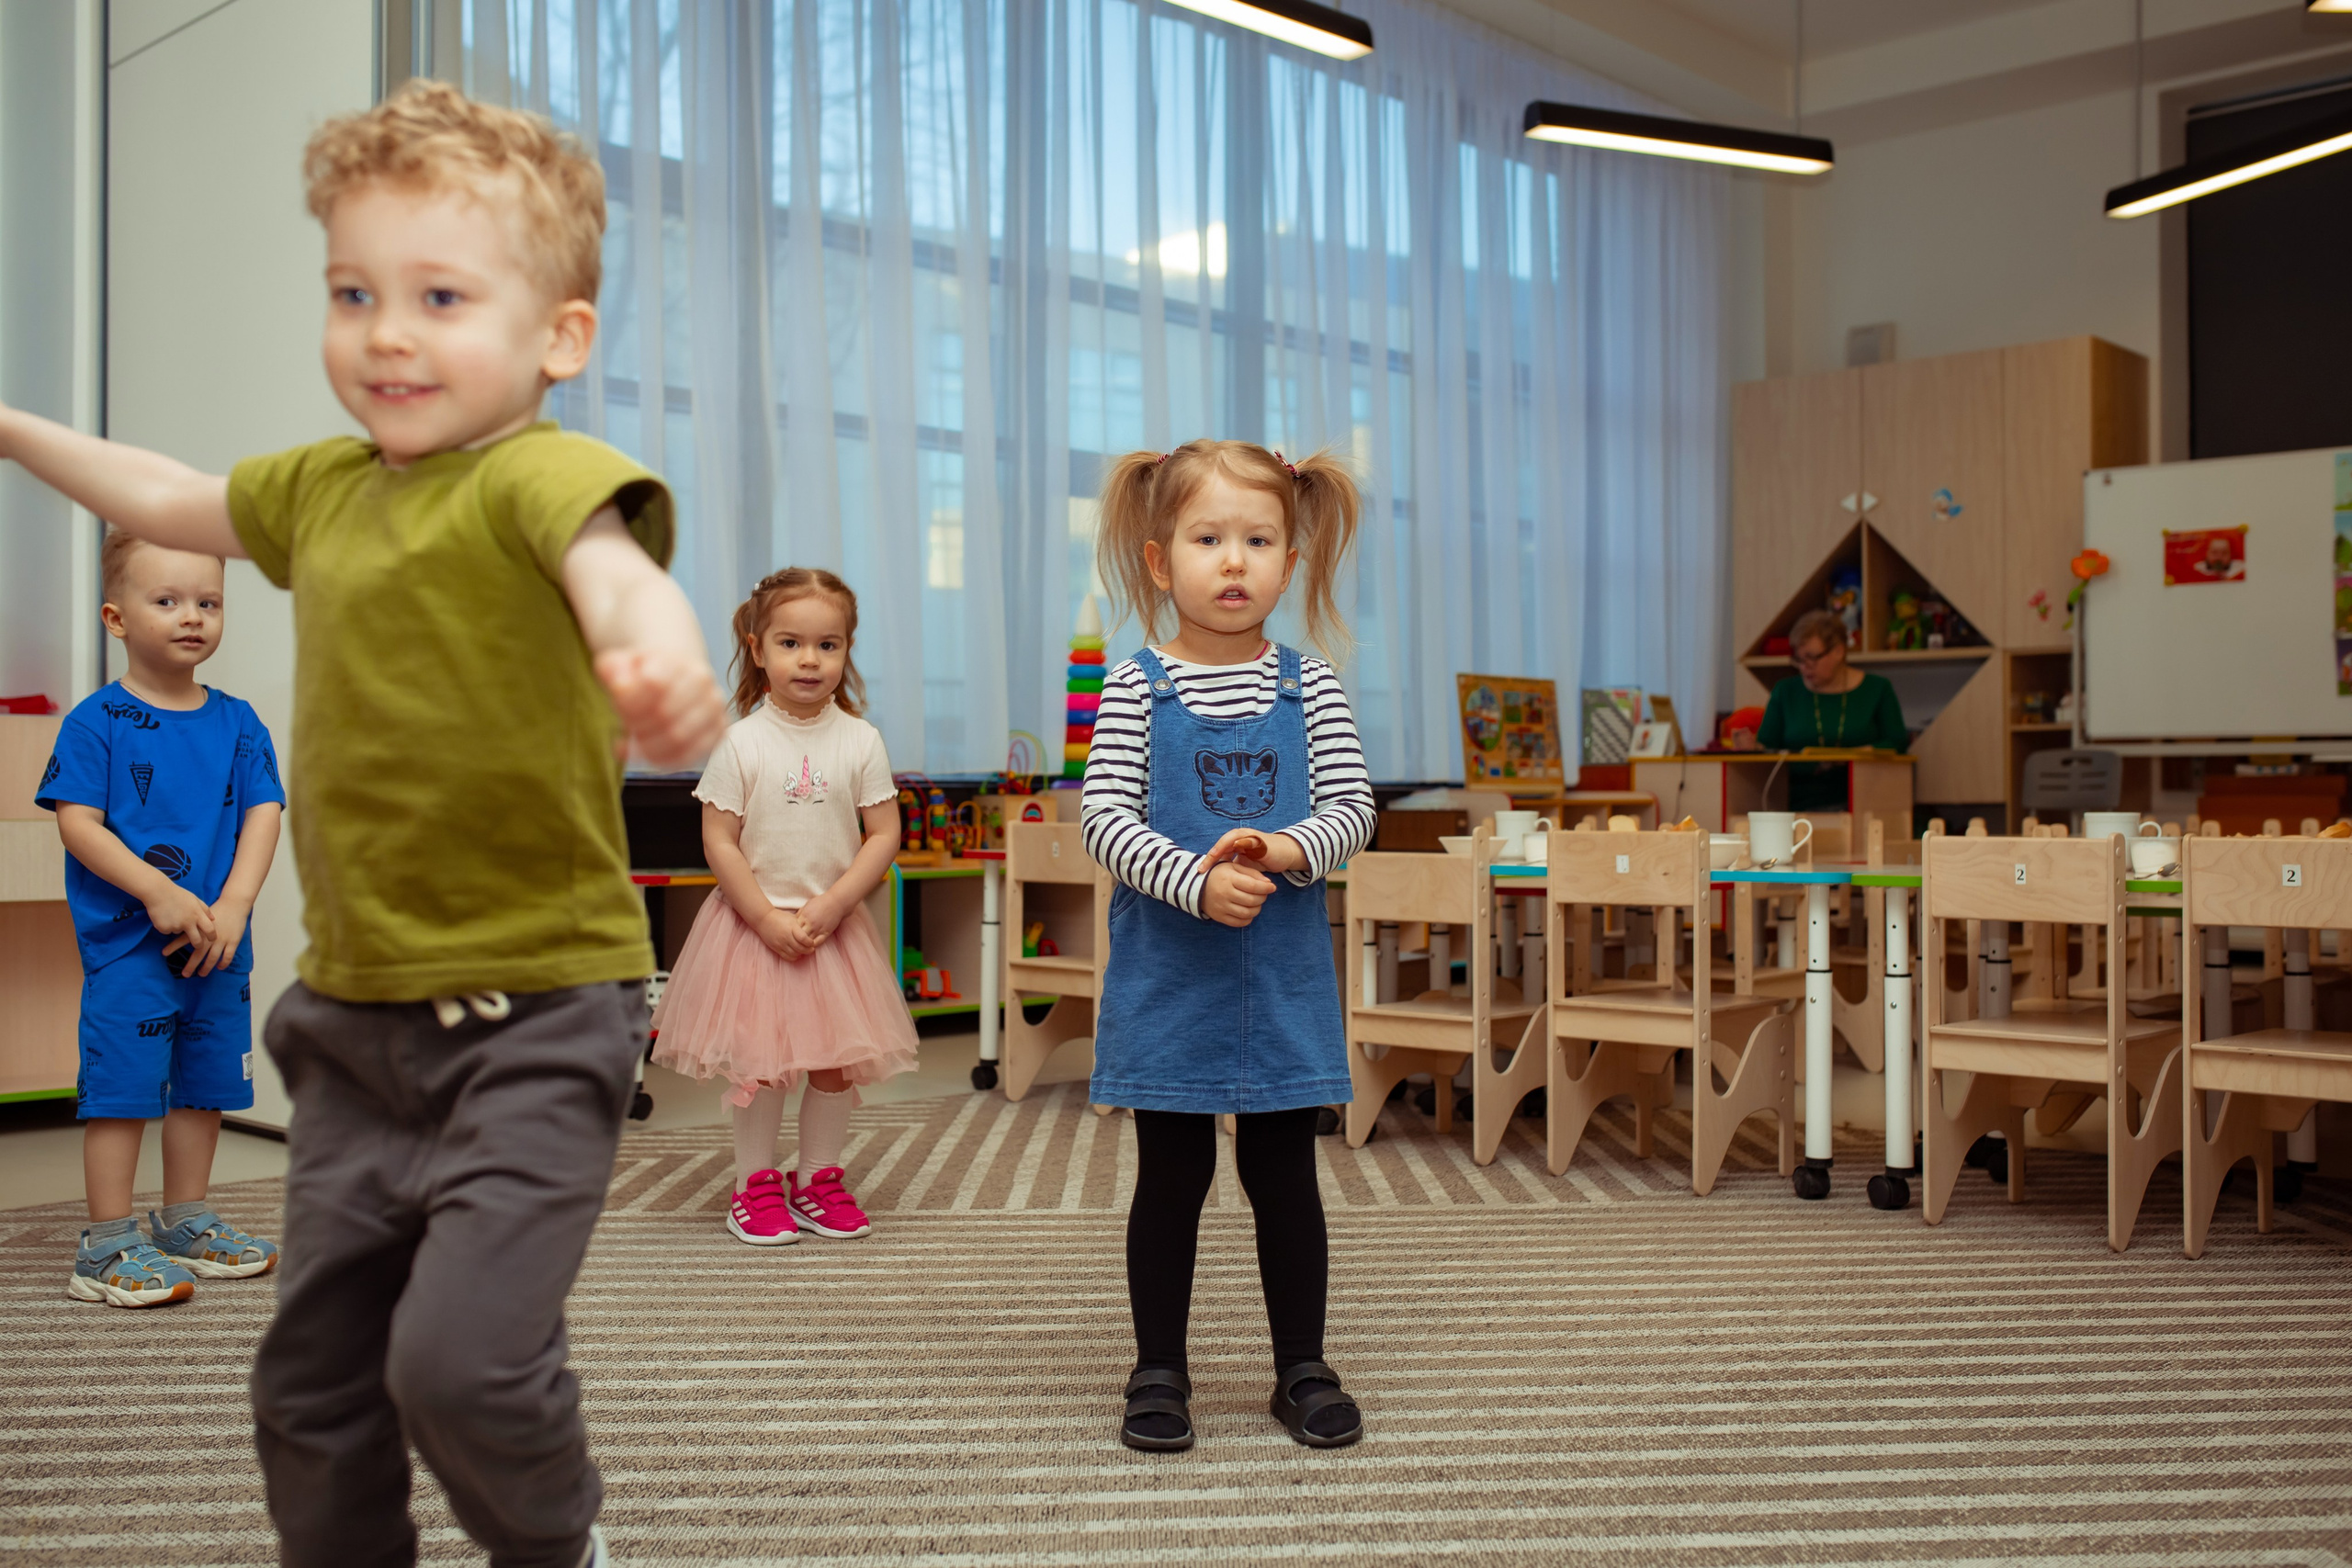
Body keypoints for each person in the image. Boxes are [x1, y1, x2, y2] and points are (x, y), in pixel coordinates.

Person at [0, 81, 725, 1568]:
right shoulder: (321, 490)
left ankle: (560, 1545)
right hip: (352, 1022)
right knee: (310, 1387)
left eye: (439, 295)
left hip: (540, 1007)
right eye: (353, 291)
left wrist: (654, 649)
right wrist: (14, 430)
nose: (386, 331)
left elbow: (611, 569)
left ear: (556, 338)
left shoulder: (538, 474)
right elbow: (165, 493)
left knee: (455, 1364)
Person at [1083, 439, 1378, 1452]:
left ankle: (1301, 1365)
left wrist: (1293, 845)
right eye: (1210, 539)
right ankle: (1157, 1370)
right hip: (1170, 979)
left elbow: (1354, 808)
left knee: (1283, 1177)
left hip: (1283, 979)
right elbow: (1105, 823)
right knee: (1171, 1179)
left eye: (1258, 540)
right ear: (1163, 561)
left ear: (1289, 562)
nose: (1235, 561)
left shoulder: (1314, 686)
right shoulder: (1135, 688)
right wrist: (1196, 882)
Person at [39, 528, 285, 1307]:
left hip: (217, 944)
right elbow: (77, 823)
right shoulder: (97, 720)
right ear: (116, 618)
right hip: (131, 945)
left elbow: (264, 812)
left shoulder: (240, 722)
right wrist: (156, 891)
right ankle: (106, 1243)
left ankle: (185, 1220)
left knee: (204, 1087)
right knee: (122, 1090)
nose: (193, 616)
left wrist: (236, 904)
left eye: (208, 601)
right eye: (168, 600)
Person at [650, 567, 917, 1245]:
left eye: (828, 645)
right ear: (758, 646)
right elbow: (720, 840)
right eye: (792, 642)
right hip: (752, 930)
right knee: (762, 1064)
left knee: (833, 1063)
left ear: (846, 650)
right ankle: (754, 1183)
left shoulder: (861, 740)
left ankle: (819, 1177)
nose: (810, 659)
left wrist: (833, 904)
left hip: (833, 931)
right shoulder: (742, 741)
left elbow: (884, 832)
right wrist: (767, 919)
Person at [1753, 608, 1908, 811]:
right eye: (1799, 659)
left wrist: (1853, 756)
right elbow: (1767, 749)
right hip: (1794, 803)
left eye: (1812, 658)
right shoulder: (1785, 691)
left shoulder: (1878, 688)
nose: (1804, 667)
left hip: (1864, 800)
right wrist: (1750, 747)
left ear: (1838, 651)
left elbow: (1897, 742)